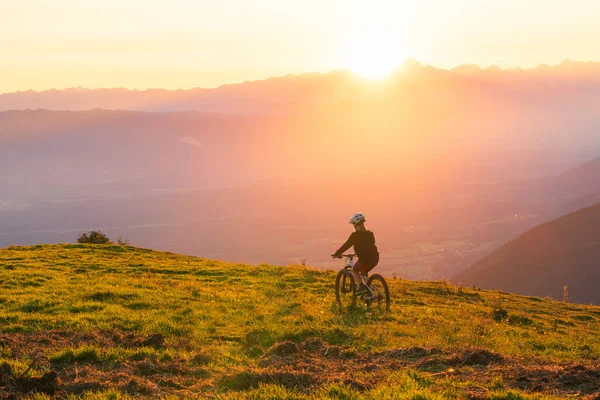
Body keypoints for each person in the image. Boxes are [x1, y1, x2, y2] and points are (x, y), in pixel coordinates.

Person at [332, 213, 379, 295]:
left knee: (355, 270)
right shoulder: (370, 233)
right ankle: (368, 292)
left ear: (355, 224)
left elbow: (346, 245)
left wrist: (337, 253)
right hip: (375, 258)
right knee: (364, 272)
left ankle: (361, 286)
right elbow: (371, 245)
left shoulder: (355, 235)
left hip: (365, 260)